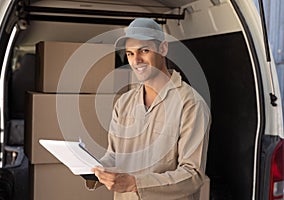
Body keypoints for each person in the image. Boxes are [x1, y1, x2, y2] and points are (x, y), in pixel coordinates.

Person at [86, 18, 211, 200]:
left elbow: (192, 174)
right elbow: (114, 156)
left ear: (163, 49)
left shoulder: (190, 104)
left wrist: (136, 184)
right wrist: (93, 167)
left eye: (144, 51)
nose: (136, 60)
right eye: (129, 54)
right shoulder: (124, 103)